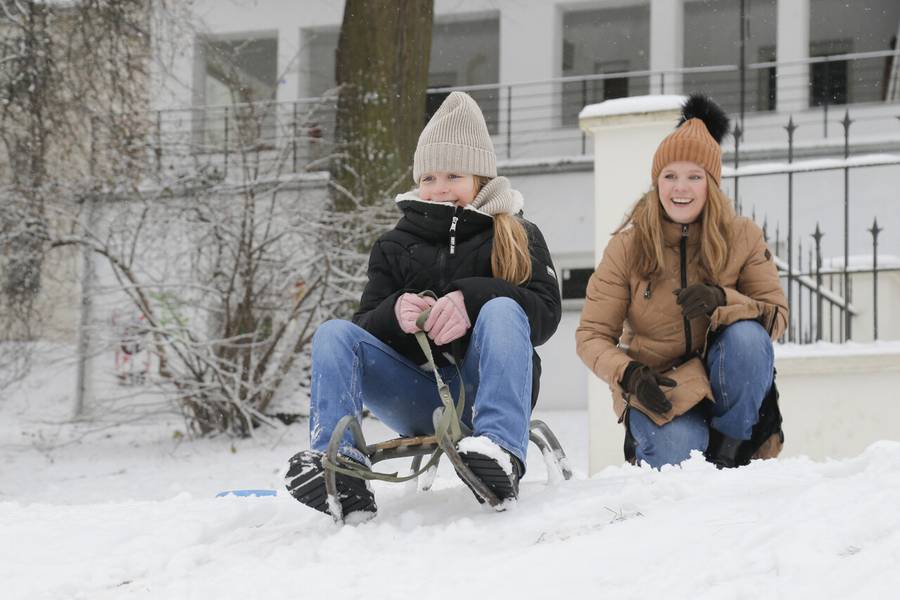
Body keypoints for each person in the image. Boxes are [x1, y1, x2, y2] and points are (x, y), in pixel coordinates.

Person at [285, 91, 562, 520]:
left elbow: (545, 317)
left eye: (453, 174)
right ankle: (339, 465)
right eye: (429, 177)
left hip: (487, 389)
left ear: (481, 178)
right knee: (334, 333)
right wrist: (393, 316)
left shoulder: (518, 234)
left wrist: (473, 298)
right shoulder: (395, 244)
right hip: (418, 397)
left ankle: (500, 451)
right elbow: (365, 327)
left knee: (504, 308)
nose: (439, 188)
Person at [575, 94, 788, 470]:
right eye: (670, 176)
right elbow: (591, 335)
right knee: (677, 457)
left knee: (748, 337)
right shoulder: (627, 246)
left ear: (711, 184)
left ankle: (731, 447)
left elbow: (776, 317)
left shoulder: (743, 236)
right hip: (662, 387)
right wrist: (629, 374)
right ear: (656, 183)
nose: (681, 188)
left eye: (694, 177)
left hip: (727, 385)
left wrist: (723, 299)